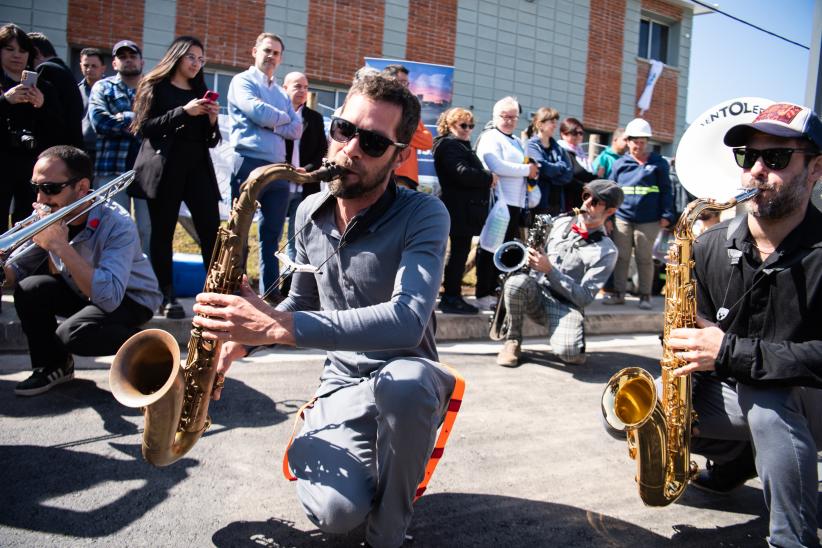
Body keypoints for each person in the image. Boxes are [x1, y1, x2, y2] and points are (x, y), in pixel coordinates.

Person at [191, 74, 456, 548]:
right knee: (336, 516)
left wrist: (280, 326)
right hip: (342, 385)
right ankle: (359, 453)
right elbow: (302, 301)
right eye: (342, 130)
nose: (350, 150)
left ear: (399, 155)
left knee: (407, 385)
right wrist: (240, 341)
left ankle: (389, 532)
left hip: (408, 374)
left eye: (373, 142)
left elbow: (407, 320)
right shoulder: (308, 209)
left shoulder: (425, 214)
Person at [667, 102, 822, 547]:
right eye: (747, 156)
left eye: (775, 158)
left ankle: (792, 540)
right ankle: (739, 460)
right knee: (643, 414)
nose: (756, 169)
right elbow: (694, 335)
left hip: (810, 398)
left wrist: (728, 352)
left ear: (815, 168)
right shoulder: (710, 246)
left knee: (765, 394)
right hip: (744, 389)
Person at [7, 145, 161, 397]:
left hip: (130, 297)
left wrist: (59, 246)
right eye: (36, 187)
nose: (40, 199)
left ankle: (151, 348)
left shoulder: (117, 223)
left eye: (50, 189)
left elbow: (109, 296)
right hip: (84, 290)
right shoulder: (50, 214)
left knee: (73, 333)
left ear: (81, 187)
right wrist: (4, 272)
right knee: (30, 289)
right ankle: (55, 366)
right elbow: (19, 268)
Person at [131, 36, 221, 319]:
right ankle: (166, 295)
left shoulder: (200, 89)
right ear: (177, 56)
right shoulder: (155, 86)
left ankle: (215, 295)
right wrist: (184, 111)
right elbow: (145, 128)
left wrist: (211, 121)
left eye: (200, 58)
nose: (196, 63)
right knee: (163, 232)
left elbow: (210, 140)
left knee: (212, 231)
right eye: (191, 57)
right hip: (165, 168)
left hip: (197, 168)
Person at [495, 181, 622, 367]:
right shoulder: (560, 223)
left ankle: (574, 340)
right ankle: (512, 341)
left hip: (566, 305)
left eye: (595, 202)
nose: (587, 203)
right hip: (536, 293)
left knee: (569, 354)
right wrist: (530, 255)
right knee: (516, 283)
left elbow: (585, 297)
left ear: (609, 211)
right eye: (586, 196)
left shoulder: (607, 251)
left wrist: (550, 270)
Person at [227, 32, 302, 298]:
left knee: (271, 236)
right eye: (267, 51)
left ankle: (269, 293)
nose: (271, 56)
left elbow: (297, 129)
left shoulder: (280, 94)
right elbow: (256, 111)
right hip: (248, 163)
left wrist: (270, 119)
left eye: (276, 53)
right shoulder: (242, 81)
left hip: (277, 171)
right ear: (254, 51)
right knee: (239, 233)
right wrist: (281, 119)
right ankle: (234, 291)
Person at [474, 96, 539, 311]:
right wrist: (525, 170)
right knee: (489, 247)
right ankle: (483, 292)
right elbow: (496, 165)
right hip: (498, 203)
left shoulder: (516, 141)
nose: (510, 121)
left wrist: (530, 173)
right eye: (505, 116)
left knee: (505, 250)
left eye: (513, 117)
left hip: (516, 203)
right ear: (495, 116)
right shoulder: (490, 137)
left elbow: (519, 168)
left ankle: (496, 288)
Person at [88, 39, 151, 258]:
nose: (128, 61)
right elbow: (99, 121)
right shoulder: (102, 87)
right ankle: (109, 283)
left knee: (146, 231)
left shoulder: (151, 89)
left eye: (132, 56)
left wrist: (123, 117)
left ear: (141, 61)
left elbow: (157, 125)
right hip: (111, 170)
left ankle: (143, 287)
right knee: (111, 229)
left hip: (146, 172)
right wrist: (138, 121)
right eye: (122, 57)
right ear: (114, 63)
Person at [432, 107, 497, 314]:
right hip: (457, 208)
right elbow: (461, 173)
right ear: (450, 125)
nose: (468, 129)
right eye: (463, 125)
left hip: (464, 209)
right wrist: (488, 177)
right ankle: (451, 297)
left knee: (459, 253)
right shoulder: (449, 145)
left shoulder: (459, 145)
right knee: (457, 254)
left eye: (471, 126)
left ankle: (453, 295)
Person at [604, 117, 673, 309]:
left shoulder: (659, 164)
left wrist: (667, 215)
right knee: (622, 256)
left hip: (649, 220)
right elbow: (611, 191)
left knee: (644, 257)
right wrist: (608, 217)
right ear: (628, 141)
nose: (639, 146)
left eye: (643, 142)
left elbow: (667, 190)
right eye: (635, 142)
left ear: (647, 142)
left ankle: (645, 296)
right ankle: (619, 294)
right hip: (622, 218)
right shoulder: (620, 164)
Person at [0, 23, 63, 230]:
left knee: (27, 218)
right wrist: (5, 100)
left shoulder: (43, 86)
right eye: (9, 49)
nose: (17, 55)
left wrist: (42, 105)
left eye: (23, 50)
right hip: (2, 160)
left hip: (31, 161)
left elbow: (58, 126)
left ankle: (18, 262)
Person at [282, 71, 328, 263]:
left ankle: (289, 284)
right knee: (270, 238)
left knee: (297, 239)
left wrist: (307, 169)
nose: (302, 91)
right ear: (285, 88)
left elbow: (321, 150)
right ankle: (267, 288)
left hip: (305, 186)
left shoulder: (315, 118)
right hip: (280, 183)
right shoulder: (277, 115)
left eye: (306, 87)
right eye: (297, 86)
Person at [380, 64, 433, 191]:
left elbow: (427, 141)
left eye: (406, 83)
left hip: (407, 177)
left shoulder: (410, 109)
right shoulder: (379, 106)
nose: (405, 87)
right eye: (402, 82)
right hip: (386, 172)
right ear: (389, 81)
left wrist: (401, 130)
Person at [28, 31, 84, 148]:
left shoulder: (46, 69)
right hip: (71, 143)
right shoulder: (63, 70)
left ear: (36, 52)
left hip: (56, 146)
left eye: (24, 52)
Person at [526, 107, 574, 215]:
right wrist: (559, 168)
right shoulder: (531, 145)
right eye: (552, 122)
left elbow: (568, 175)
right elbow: (542, 168)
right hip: (539, 204)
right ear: (540, 124)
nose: (555, 126)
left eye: (555, 122)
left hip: (557, 205)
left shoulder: (559, 148)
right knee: (538, 232)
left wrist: (549, 176)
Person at [557, 117, 597, 212]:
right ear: (563, 134)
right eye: (575, 133)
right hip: (568, 202)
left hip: (583, 201)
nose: (578, 136)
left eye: (581, 133)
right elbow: (566, 177)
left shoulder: (580, 153)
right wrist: (584, 186)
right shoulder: (561, 151)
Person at [78, 47, 105, 163]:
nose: (89, 69)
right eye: (86, 65)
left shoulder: (111, 91)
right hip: (80, 148)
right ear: (80, 66)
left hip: (103, 149)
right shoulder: (75, 91)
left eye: (94, 66)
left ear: (103, 68)